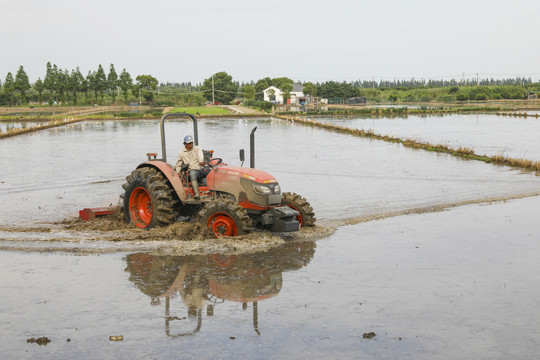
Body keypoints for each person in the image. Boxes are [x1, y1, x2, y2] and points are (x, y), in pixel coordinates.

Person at [175, 135, 210, 200]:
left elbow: (200, 155)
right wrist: (178, 173)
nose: (191, 144)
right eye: (189, 143)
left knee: (212, 172)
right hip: (192, 170)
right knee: (192, 174)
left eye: (191, 142)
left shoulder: (197, 149)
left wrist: (201, 161)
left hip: (200, 168)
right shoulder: (181, 153)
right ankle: (197, 194)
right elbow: (178, 164)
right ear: (185, 144)